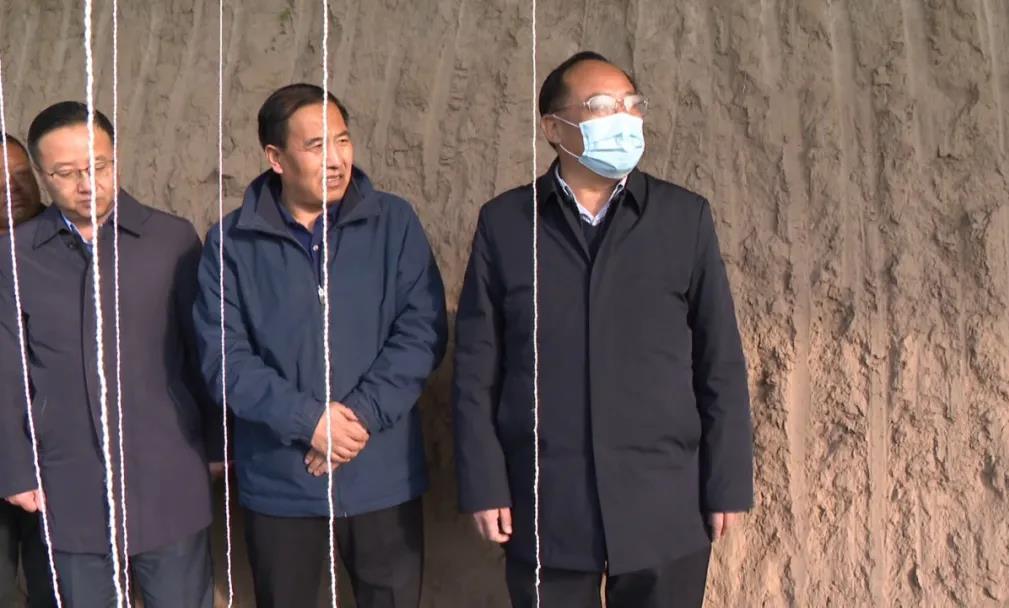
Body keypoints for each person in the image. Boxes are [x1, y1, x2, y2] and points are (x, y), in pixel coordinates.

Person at [453, 51, 755, 608]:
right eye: (601, 106)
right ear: (553, 128)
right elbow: (476, 369)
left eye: (631, 105)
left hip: (664, 498)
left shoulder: (683, 217)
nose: (623, 118)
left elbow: (720, 360)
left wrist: (727, 482)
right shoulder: (507, 223)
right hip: (545, 499)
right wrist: (484, 482)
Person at [193, 83, 447, 607]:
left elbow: (421, 330)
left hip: (380, 472)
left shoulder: (393, 222)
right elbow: (224, 358)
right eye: (315, 146)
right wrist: (307, 421)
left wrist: (357, 418)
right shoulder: (232, 241)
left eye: (343, 140)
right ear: (276, 158)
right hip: (282, 479)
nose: (336, 159)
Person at [0, 102, 220, 607]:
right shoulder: (15, 256)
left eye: (98, 165)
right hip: (66, 478)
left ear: (115, 158)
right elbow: (6, 372)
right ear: (41, 176)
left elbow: (202, 350)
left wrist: (215, 443)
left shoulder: (171, 239)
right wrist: (16, 469)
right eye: (66, 173)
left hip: (169, 469)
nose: (87, 183)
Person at [0, 133, 53, 608]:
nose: (12, 188)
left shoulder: (66, 243)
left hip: (54, 454)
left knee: (56, 587)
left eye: (20, 175)